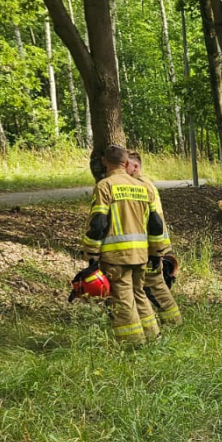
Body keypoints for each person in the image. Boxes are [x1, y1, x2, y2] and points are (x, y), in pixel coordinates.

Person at [80, 144, 171, 345]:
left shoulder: (105, 186)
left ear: (105, 161)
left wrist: (91, 253)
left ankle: (133, 345)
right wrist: (156, 252)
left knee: (121, 299)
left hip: (115, 256)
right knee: (139, 294)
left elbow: (98, 223)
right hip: (141, 255)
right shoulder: (142, 187)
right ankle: (153, 338)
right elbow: (156, 224)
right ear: (126, 162)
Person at [124, 151, 182, 326]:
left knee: (154, 285)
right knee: (151, 286)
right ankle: (166, 322)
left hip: (153, 247)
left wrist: (154, 251)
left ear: (136, 166)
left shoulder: (141, 186)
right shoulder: (145, 184)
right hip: (155, 245)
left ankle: (173, 322)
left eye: (125, 165)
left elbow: (151, 221)